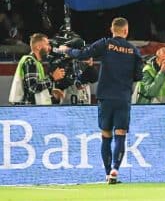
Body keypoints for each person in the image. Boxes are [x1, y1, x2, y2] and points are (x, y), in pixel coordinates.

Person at [58, 18, 143, 184]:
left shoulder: (106, 44)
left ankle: (106, 173)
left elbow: (83, 54)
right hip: (123, 97)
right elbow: (139, 76)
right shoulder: (134, 51)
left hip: (105, 96)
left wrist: (66, 50)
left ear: (112, 29)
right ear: (126, 31)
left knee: (106, 134)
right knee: (121, 134)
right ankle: (115, 170)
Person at [9, 33, 66, 105]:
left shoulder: (36, 62)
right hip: (28, 110)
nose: (50, 48)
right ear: (38, 47)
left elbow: (35, 85)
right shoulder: (30, 62)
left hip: (32, 110)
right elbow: (33, 88)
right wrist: (52, 78)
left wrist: (50, 91)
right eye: (47, 44)